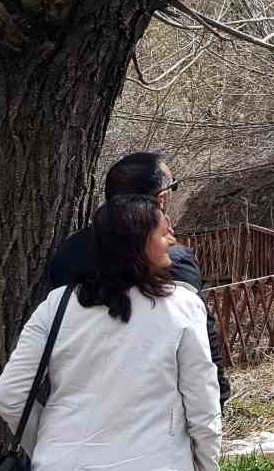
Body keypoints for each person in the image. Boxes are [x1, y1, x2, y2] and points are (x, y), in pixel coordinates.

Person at [0, 194, 222, 471]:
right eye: (164, 232)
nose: (172, 240)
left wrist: (48, 444)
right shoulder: (182, 306)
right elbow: (202, 400)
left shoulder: (57, 305)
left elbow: (9, 394)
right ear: (138, 243)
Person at [47, 152, 231, 406]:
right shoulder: (170, 259)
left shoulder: (68, 251)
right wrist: (217, 401)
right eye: (173, 185)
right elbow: (200, 340)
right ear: (163, 198)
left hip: (75, 403)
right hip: (155, 409)